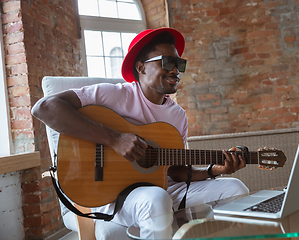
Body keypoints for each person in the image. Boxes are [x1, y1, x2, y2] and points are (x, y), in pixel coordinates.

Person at [31, 27, 249, 239]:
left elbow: (174, 170)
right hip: (116, 195)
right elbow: (44, 108)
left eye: (179, 64)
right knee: (156, 199)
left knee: (235, 189)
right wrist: (114, 139)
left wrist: (213, 170)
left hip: (165, 189)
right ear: (141, 67)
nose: (175, 70)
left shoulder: (178, 116)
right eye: (168, 63)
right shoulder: (112, 95)